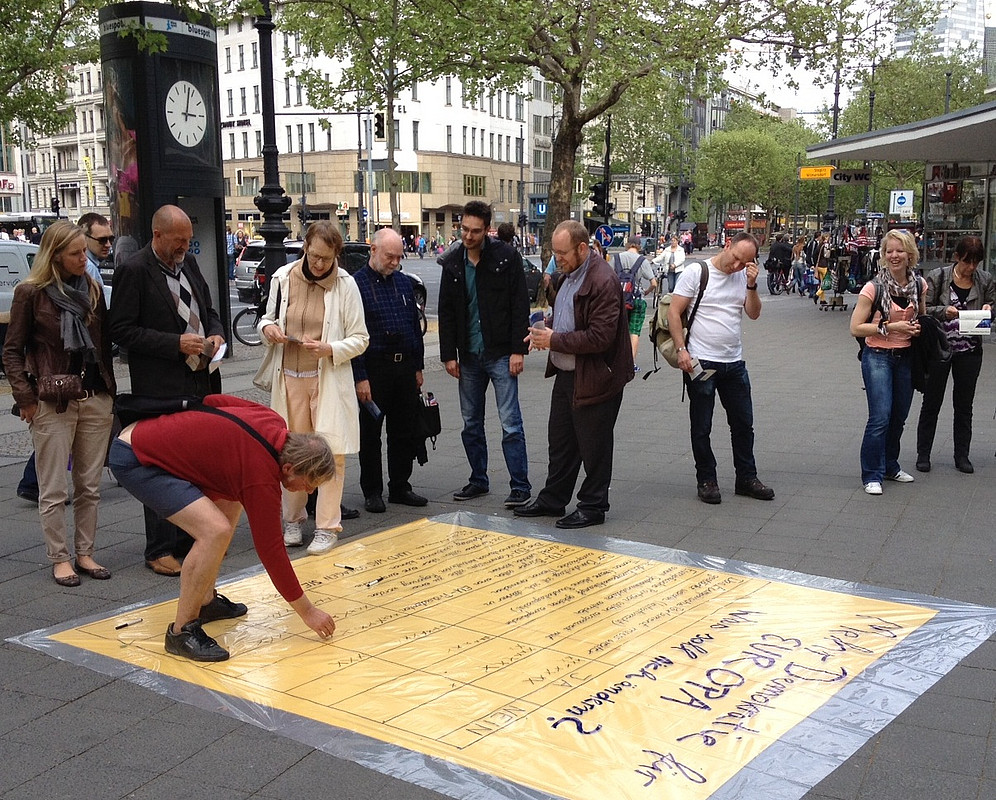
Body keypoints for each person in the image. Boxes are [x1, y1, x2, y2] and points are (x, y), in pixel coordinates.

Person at [108, 395, 338, 662]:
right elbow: (271, 551)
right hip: (136, 458)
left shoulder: (273, 420)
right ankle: (181, 631)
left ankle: (205, 600)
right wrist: (308, 611)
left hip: (142, 434)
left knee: (231, 501)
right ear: (288, 467)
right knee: (214, 531)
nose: (308, 492)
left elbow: (213, 400)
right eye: (308, 484)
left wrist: (201, 440)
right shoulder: (260, 476)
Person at [109, 204, 226, 577]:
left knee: (194, 459)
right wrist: (174, 343)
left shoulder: (187, 263)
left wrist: (215, 332)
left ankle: (189, 538)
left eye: (188, 240)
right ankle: (159, 547)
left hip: (199, 378)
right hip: (160, 387)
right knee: (159, 462)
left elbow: (208, 310)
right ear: (157, 235)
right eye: (178, 240)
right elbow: (121, 330)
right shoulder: (134, 270)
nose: (185, 247)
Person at [2, 221, 116, 586]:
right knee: (53, 489)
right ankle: (60, 558)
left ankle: (85, 553)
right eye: (75, 253)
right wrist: (26, 399)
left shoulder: (92, 289)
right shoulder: (31, 293)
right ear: (54, 256)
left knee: (89, 486)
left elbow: (104, 346)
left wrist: (109, 393)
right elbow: (11, 351)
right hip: (52, 401)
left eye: (84, 251)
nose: (84, 258)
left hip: (94, 397)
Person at [257, 220, 369, 554]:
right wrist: (268, 330)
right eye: (315, 255)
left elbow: (361, 338)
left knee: (331, 452)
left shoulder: (345, 284)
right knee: (291, 452)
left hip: (327, 379)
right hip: (290, 377)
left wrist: (330, 348)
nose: (319, 264)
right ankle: (293, 520)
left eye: (327, 258)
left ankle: (327, 526)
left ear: (337, 255)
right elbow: (266, 318)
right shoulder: (283, 277)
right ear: (305, 247)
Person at [515, 220, 633, 528]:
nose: (557, 260)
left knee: (594, 445)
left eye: (562, 253)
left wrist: (554, 339)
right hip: (568, 374)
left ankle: (593, 505)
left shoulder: (602, 280)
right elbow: (570, 316)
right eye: (555, 253)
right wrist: (546, 329)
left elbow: (600, 337)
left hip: (597, 376)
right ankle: (553, 498)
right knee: (561, 442)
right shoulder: (569, 275)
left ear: (582, 248)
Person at [667, 232, 775, 505]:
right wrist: (681, 350)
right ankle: (707, 479)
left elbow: (754, 313)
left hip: (734, 363)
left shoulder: (742, 278)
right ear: (728, 245)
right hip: (701, 362)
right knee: (702, 425)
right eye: (736, 258)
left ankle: (746, 478)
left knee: (743, 424)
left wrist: (751, 285)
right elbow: (674, 312)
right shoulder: (697, 272)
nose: (736, 266)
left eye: (744, 263)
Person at [437, 200, 531, 507]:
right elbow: (446, 311)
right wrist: (448, 355)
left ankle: (520, 486)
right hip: (468, 354)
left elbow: (519, 304)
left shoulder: (506, 257)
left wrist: (518, 350)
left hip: (501, 352)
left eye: (475, 231)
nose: (468, 236)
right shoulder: (453, 261)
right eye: (464, 229)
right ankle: (478, 479)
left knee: (510, 423)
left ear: (487, 230)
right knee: (471, 423)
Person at [352, 228, 427, 512]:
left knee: (403, 430)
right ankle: (372, 490)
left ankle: (400, 486)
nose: (395, 262)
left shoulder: (404, 283)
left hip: (404, 366)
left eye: (399, 257)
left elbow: (414, 327)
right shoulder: (356, 285)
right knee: (370, 433)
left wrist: (418, 367)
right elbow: (353, 334)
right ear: (373, 250)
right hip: (375, 367)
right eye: (390, 257)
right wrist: (360, 377)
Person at [849, 229, 927, 495]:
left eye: (899, 250)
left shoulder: (919, 285)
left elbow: (921, 318)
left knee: (898, 417)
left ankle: (890, 465)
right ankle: (872, 473)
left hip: (906, 358)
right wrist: (891, 327)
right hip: (877, 357)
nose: (894, 255)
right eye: (889, 251)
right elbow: (856, 328)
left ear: (910, 254)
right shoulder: (873, 288)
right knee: (880, 417)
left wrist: (917, 329)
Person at [915, 235, 995, 474]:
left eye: (976, 262)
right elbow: (923, 310)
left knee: (964, 404)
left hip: (970, 350)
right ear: (957, 257)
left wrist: (989, 309)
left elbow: (992, 305)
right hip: (940, 349)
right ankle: (923, 454)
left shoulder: (985, 280)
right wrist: (943, 311)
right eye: (967, 261)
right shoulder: (938, 277)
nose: (971, 267)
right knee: (932, 402)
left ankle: (962, 455)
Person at [612, 236, 657, 369]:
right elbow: (654, 283)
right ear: (639, 246)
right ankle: (630, 364)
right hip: (637, 299)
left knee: (618, 331)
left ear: (627, 245)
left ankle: (616, 360)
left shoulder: (617, 258)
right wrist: (646, 292)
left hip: (619, 300)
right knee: (634, 332)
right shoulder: (642, 261)